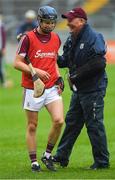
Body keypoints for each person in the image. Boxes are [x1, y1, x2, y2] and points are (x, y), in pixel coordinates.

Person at [53, 7, 110, 170]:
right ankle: (62, 157)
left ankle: (102, 162)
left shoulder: (94, 37)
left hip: (93, 89)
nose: (68, 23)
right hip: (79, 90)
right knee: (72, 123)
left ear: (82, 21)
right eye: (67, 19)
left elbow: (99, 63)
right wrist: (51, 54)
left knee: (94, 125)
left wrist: (75, 76)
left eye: (71, 20)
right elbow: (64, 61)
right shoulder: (72, 39)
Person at [14, 6, 64, 172]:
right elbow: (17, 63)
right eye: (47, 22)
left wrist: (58, 77)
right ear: (39, 21)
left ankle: (47, 155)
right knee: (32, 126)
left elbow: (54, 60)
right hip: (32, 88)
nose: (50, 25)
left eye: (52, 22)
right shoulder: (28, 38)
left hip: (51, 88)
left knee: (59, 121)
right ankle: (34, 162)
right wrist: (36, 71)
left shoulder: (56, 38)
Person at [0, 13, 6, 86]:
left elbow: (3, 37)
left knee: (1, 66)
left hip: (0, 49)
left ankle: (3, 82)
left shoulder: (1, 25)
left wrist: (3, 48)